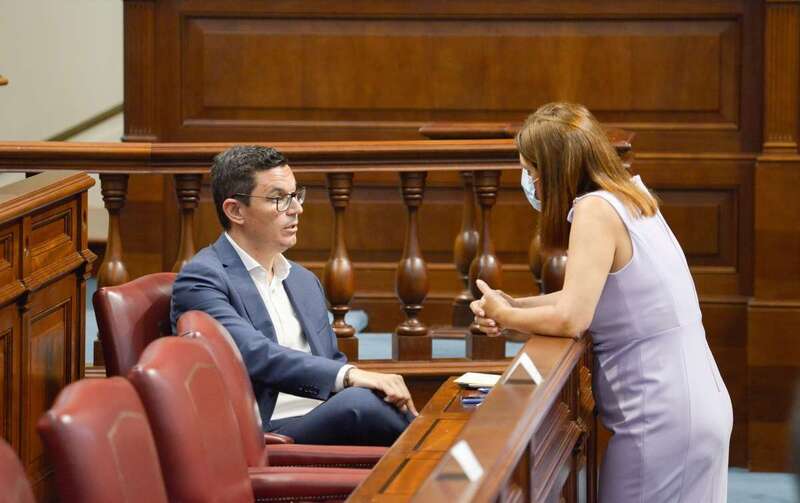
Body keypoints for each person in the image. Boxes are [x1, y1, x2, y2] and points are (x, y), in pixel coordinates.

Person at [471, 103, 733, 502]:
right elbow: (589, 293)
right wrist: (516, 305)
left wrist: (504, 316)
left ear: (555, 172)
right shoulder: (630, 196)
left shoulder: (594, 210)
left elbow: (574, 317)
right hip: (696, 401)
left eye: (530, 171)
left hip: (661, 416)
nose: (529, 182)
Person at [171, 145, 415, 446]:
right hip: (261, 433)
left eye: (296, 195)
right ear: (235, 210)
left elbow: (330, 362)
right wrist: (351, 375)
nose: (296, 209)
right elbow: (252, 354)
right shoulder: (202, 278)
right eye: (278, 199)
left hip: (321, 417)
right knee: (362, 403)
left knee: (374, 401)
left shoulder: (303, 280)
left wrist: (354, 379)